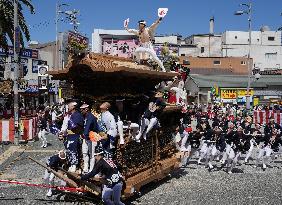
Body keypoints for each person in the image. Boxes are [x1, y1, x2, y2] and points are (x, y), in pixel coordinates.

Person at [81, 103, 100, 173]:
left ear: (86, 109)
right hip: (86, 137)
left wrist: (84, 134)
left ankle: (91, 169)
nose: (81, 111)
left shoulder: (91, 117)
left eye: (82, 110)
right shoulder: (84, 117)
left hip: (92, 137)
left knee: (92, 154)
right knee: (85, 153)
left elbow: (88, 128)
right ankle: (86, 167)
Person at [65, 101, 84, 172]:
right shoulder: (70, 115)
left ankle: (74, 165)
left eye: (69, 106)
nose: (68, 107)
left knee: (74, 150)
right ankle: (71, 163)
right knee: (69, 150)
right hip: (69, 135)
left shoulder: (78, 115)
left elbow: (78, 126)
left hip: (75, 135)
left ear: (73, 107)